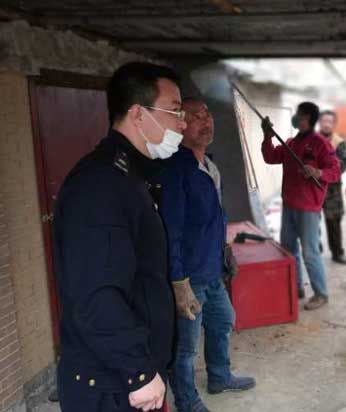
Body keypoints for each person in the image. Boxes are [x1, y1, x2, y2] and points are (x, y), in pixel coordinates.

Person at [52, 62, 186, 412]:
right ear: (139, 115)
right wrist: (138, 371)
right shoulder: (100, 184)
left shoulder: (132, 175)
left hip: (129, 375)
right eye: (175, 111)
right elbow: (95, 291)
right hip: (112, 385)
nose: (183, 123)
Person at [159, 99, 255, 412]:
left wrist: (225, 250)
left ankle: (219, 377)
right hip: (190, 275)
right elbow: (171, 230)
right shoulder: (176, 169)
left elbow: (216, 218)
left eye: (208, 115)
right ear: (181, 125)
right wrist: (178, 281)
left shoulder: (210, 166)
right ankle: (187, 401)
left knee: (223, 321)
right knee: (185, 347)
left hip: (212, 269)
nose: (206, 121)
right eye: (196, 117)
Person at [261, 102, 340, 310]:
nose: (296, 118)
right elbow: (270, 157)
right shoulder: (290, 143)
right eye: (297, 114)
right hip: (289, 204)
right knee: (288, 249)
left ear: (310, 120)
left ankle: (321, 293)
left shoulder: (321, 144)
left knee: (310, 252)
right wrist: (267, 136)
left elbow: (335, 171)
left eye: (301, 115)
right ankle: (296, 287)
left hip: (308, 208)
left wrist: (317, 172)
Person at [318, 110, 346, 265]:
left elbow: (342, 165)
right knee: (311, 222)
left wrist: (322, 169)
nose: (326, 124)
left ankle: (337, 253)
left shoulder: (339, 142)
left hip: (333, 190)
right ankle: (314, 251)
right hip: (312, 188)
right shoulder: (310, 139)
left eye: (330, 121)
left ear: (334, 124)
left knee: (334, 222)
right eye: (324, 121)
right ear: (319, 122)